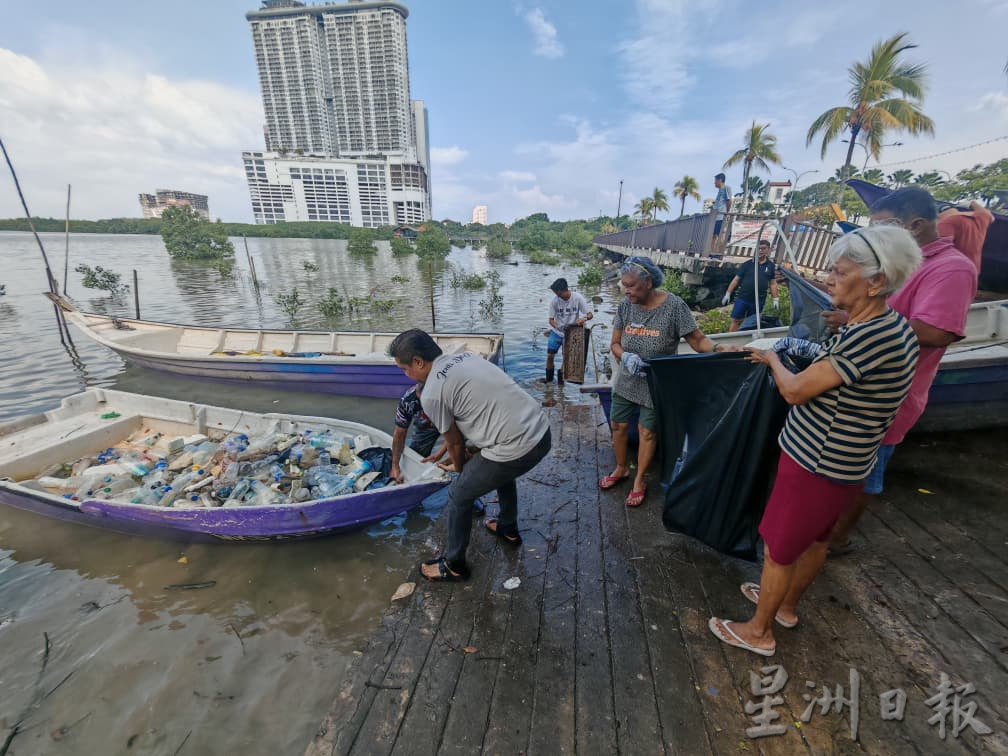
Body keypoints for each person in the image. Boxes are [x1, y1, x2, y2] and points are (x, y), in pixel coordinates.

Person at [708, 225, 921, 656]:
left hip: (817, 461)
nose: (827, 279)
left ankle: (759, 632)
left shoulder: (868, 336)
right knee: (816, 539)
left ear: (876, 282)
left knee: (780, 549)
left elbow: (794, 391)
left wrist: (771, 358)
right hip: (848, 461)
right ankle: (784, 607)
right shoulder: (892, 326)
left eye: (839, 273)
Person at [828, 187, 977, 553]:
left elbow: (938, 331)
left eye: (884, 228)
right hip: (857, 385)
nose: (875, 238)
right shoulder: (895, 265)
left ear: (916, 225)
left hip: (890, 397)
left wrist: (856, 321)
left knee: (864, 476)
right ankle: (822, 533)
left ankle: (836, 541)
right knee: (841, 473)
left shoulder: (950, 267)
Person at [388, 329, 551, 582]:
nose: (405, 375)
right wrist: (468, 453)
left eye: (404, 369)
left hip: (519, 446)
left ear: (419, 362)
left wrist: (459, 467)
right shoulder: (467, 358)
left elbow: (453, 442)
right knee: (500, 469)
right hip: (541, 430)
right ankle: (507, 527)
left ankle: (453, 564)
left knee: (459, 494)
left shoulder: (431, 392)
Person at [599, 255, 726, 508]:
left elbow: (698, 341)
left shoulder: (674, 306)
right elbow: (614, 343)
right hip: (628, 378)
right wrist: (626, 356)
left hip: (657, 381)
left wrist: (720, 347)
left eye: (631, 285)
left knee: (647, 432)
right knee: (618, 425)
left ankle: (639, 481)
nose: (626, 291)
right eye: (624, 285)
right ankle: (622, 467)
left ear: (648, 282)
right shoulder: (626, 306)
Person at [722, 239, 780, 331]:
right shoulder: (747, 264)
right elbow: (736, 280)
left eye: (763, 248)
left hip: (758, 300)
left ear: (768, 250)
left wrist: (775, 299)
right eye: (759, 248)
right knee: (736, 320)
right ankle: (731, 340)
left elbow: (772, 284)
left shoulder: (771, 266)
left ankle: (745, 341)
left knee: (752, 322)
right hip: (743, 298)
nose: (760, 251)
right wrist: (728, 294)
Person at [389, 383, 440, 484]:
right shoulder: (408, 401)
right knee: (415, 458)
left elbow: (455, 437)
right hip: (425, 427)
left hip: (452, 422)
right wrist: (395, 465)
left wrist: (440, 454)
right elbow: (399, 434)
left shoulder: (448, 396)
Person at [545, 277, 593, 383]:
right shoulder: (555, 301)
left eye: (557, 293)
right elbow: (551, 320)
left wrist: (583, 318)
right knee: (549, 356)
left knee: (566, 358)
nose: (556, 295)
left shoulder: (577, 298)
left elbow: (590, 315)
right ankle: (548, 383)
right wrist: (559, 327)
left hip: (572, 333)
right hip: (557, 332)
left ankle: (560, 386)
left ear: (563, 290)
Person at [937, 200, 994, 275]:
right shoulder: (978, 219)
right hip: (973, 269)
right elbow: (989, 216)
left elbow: (939, 248)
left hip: (952, 271)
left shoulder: (945, 222)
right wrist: (972, 203)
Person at [711, 173, 733, 254]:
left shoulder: (726, 188)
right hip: (716, 217)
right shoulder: (720, 190)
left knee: (720, 236)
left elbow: (729, 201)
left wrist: (727, 213)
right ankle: (712, 252)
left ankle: (718, 253)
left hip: (721, 217)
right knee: (713, 236)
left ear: (720, 180)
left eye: (715, 181)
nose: (714, 183)